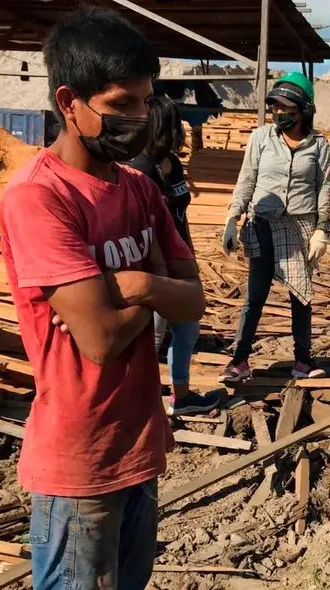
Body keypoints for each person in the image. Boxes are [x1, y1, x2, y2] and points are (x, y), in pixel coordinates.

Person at [0, 7, 205, 589]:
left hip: (140, 439)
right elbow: (102, 339)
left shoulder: (138, 188)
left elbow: (195, 304)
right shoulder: (40, 199)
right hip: (80, 458)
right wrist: (159, 283)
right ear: (70, 102)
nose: (139, 118)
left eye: (145, 101)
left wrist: (135, 285)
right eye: (120, 105)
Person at [218, 72, 330, 382]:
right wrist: (232, 217)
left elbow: (324, 187)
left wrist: (323, 228)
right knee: (256, 294)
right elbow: (247, 179)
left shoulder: (318, 145)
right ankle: (239, 360)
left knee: (301, 295)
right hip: (263, 224)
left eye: (287, 109)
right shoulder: (261, 138)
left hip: (300, 227)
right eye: (275, 107)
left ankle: (302, 360)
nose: (279, 113)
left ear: (303, 111)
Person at [127, 96, 222, 416]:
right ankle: (142, 402)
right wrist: (160, 270)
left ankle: (180, 397)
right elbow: (144, 226)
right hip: (154, 266)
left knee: (187, 329)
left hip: (179, 261)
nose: (176, 133)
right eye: (170, 127)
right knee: (152, 335)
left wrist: (189, 255)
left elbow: (180, 216)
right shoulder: (139, 169)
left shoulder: (174, 164)